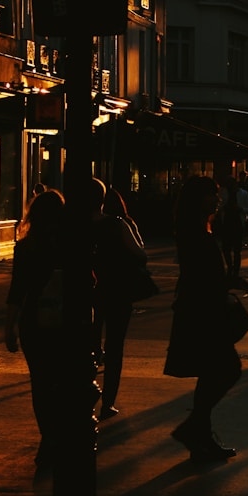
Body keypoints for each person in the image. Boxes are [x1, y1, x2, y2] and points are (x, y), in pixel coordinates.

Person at [164, 175, 242, 462]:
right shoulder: (194, 232)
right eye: (213, 194)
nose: (217, 199)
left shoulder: (196, 229)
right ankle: (196, 428)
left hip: (202, 311)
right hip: (203, 313)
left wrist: (230, 281)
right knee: (226, 368)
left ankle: (200, 435)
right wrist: (224, 287)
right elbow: (201, 276)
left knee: (213, 372)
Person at [4, 189, 68, 468]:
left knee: (40, 383)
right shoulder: (69, 247)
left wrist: (10, 327)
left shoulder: (26, 248)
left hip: (34, 320)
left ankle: (48, 437)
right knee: (62, 381)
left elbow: (17, 290)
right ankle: (60, 436)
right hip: (65, 320)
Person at [92, 180, 148, 420]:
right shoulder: (116, 225)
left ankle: (84, 393)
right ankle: (108, 402)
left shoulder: (76, 225)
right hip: (116, 290)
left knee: (89, 343)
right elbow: (140, 253)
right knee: (115, 347)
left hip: (88, 291)